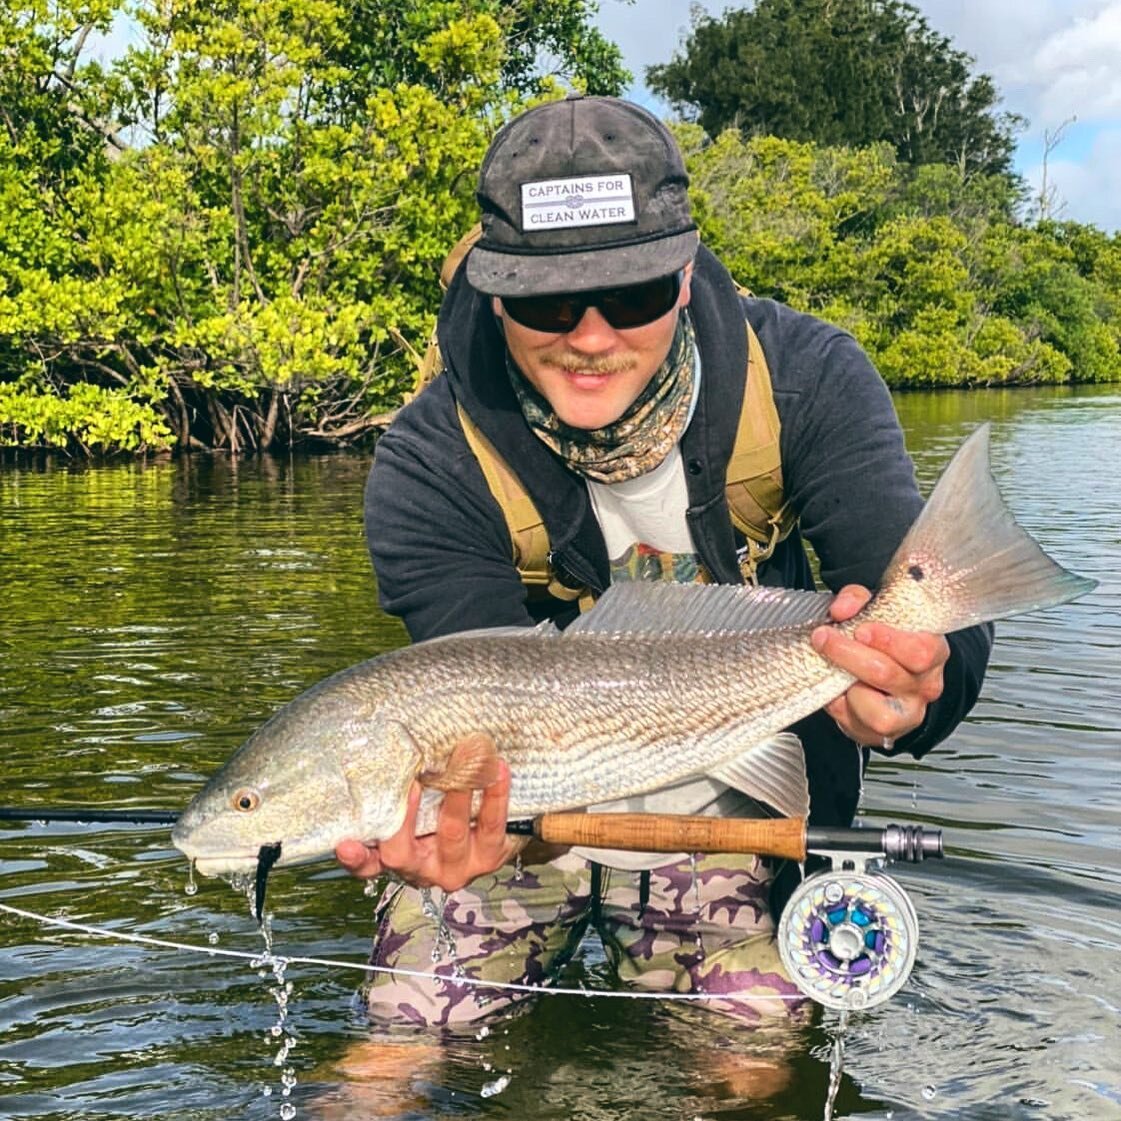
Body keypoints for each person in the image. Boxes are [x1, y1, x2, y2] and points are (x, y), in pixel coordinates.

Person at [337, 94, 993, 1026]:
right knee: (397, 1040)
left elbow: (936, 622)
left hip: (743, 802)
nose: (592, 335)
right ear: (492, 290)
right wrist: (451, 831)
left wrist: (907, 695)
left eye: (634, 292)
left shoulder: (809, 379)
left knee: (753, 1053)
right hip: (525, 822)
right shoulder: (426, 461)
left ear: (684, 278)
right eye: (546, 300)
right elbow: (467, 704)